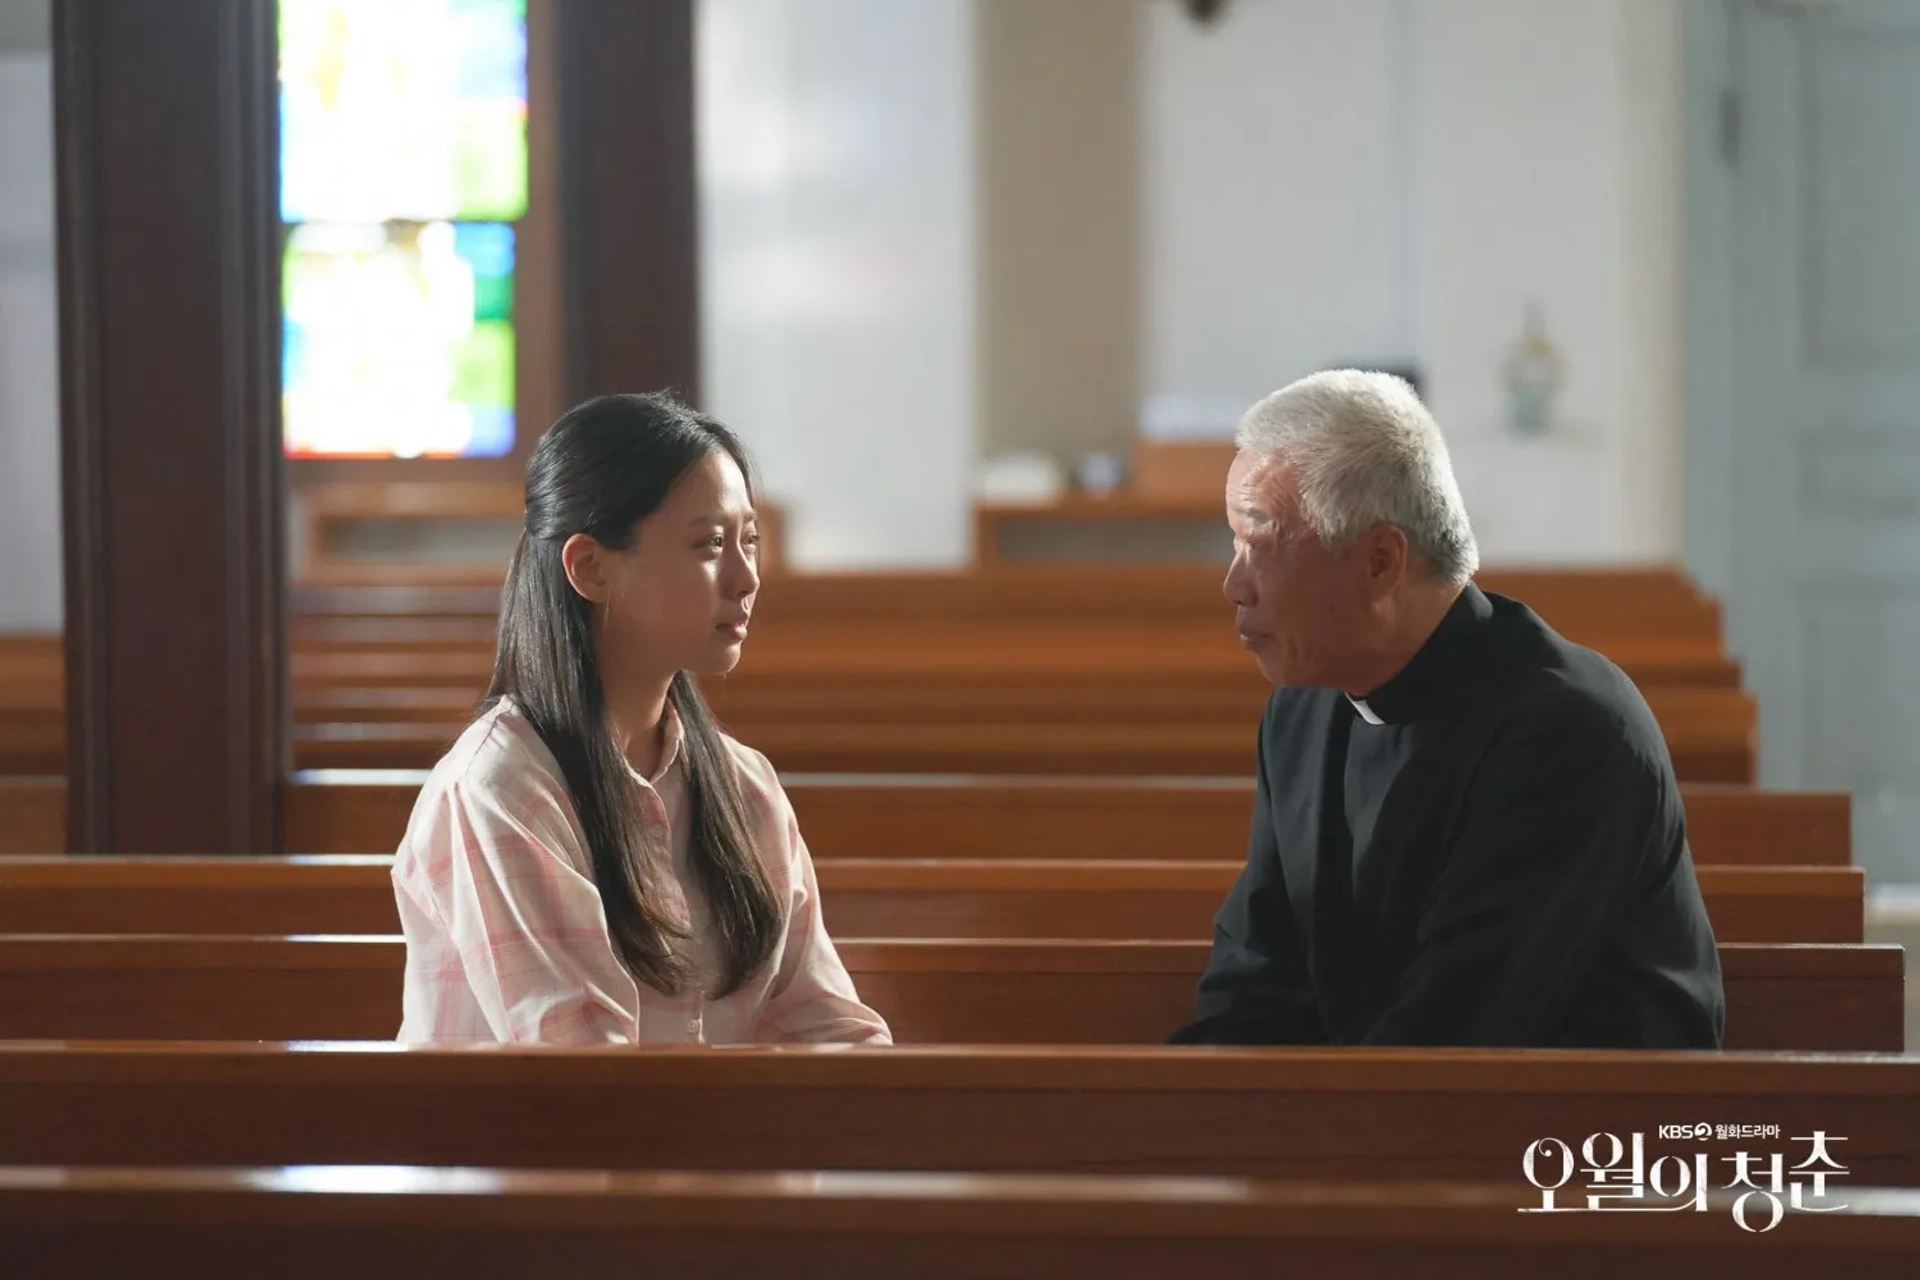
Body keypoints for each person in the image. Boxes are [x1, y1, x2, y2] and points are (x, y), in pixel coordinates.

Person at [1169, 370, 1725, 1049]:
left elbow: (1457, 1034)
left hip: (1567, 1137)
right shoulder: (1302, 714)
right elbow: (1257, 977)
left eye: (1262, 544)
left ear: (1380, 562)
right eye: (1234, 545)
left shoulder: (1568, 732)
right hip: (1386, 1120)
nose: (1233, 586)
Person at [392, 392, 891, 1046]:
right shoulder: (500, 789)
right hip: (530, 1150)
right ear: (591, 568)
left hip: (714, 1145)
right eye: (710, 543)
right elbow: (586, 1070)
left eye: (750, 540)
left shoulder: (745, 787)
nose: (746, 579)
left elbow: (827, 1028)